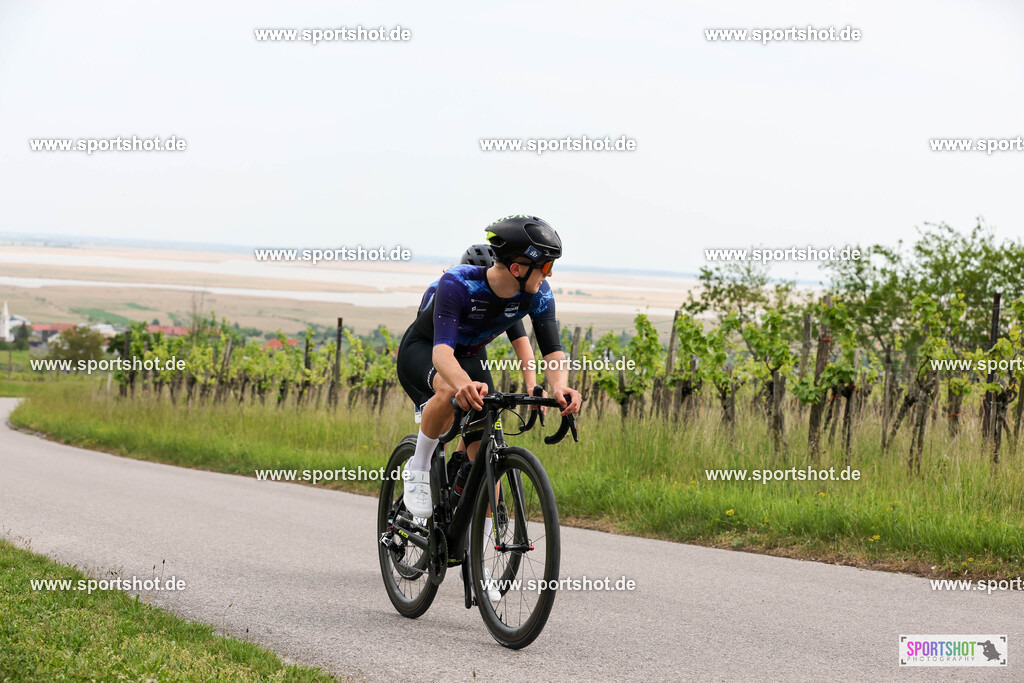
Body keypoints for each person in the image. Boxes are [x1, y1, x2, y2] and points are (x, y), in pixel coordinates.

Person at [395, 215, 583, 524]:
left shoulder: (538, 293)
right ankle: (418, 467)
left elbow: (552, 351)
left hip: (471, 356)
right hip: (425, 351)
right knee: (448, 388)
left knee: (484, 456)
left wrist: (559, 386)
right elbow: (442, 354)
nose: (549, 274)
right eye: (546, 266)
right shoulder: (457, 282)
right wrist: (461, 383)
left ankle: (477, 536)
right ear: (517, 268)